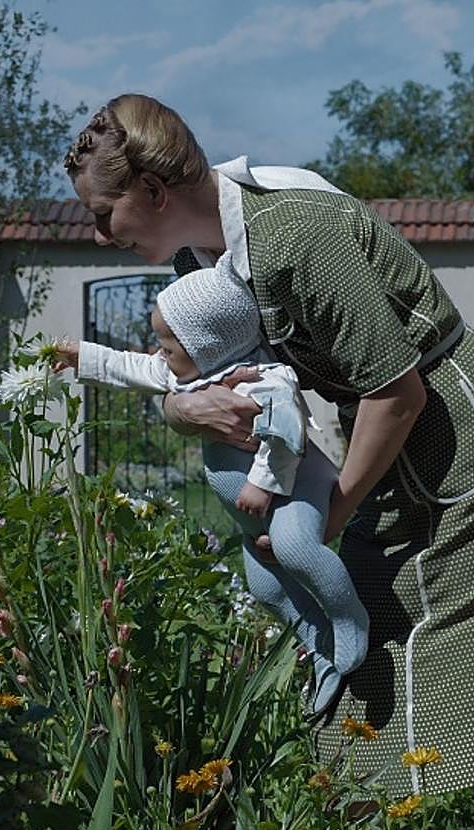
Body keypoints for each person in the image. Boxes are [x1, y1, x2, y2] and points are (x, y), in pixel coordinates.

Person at [63, 94, 474, 830]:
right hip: (400, 461)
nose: (101, 236)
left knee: (462, 691)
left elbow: (397, 392)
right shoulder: (204, 261)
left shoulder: (294, 236)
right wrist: (180, 409)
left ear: (153, 192)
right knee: (369, 675)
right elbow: (205, 377)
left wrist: (331, 518)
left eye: (104, 215)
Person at [54, 259, 369, 713]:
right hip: (252, 516)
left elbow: (288, 433)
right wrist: (81, 356)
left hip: (294, 489)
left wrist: (262, 484)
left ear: (206, 344)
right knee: (265, 588)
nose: (159, 353)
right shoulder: (192, 376)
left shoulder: (266, 380)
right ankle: (318, 644)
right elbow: (132, 366)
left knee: (297, 547)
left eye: (167, 344)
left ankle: (348, 618)